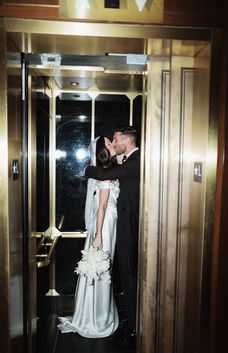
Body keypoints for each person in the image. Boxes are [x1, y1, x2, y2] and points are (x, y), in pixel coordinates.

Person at [58, 136, 120, 338]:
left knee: (102, 265)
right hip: (105, 224)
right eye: (110, 143)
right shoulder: (104, 175)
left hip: (107, 221)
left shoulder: (106, 171)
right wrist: (99, 235)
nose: (113, 144)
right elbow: (101, 206)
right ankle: (96, 317)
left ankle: (96, 312)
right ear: (104, 150)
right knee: (100, 265)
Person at [85, 126, 140, 341]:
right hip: (118, 223)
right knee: (125, 272)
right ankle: (131, 318)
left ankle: (135, 325)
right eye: (111, 141)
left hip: (130, 225)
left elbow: (103, 174)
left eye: (116, 139)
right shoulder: (125, 161)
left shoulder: (135, 162)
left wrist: (88, 168)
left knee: (128, 273)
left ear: (127, 140)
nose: (114, 143)